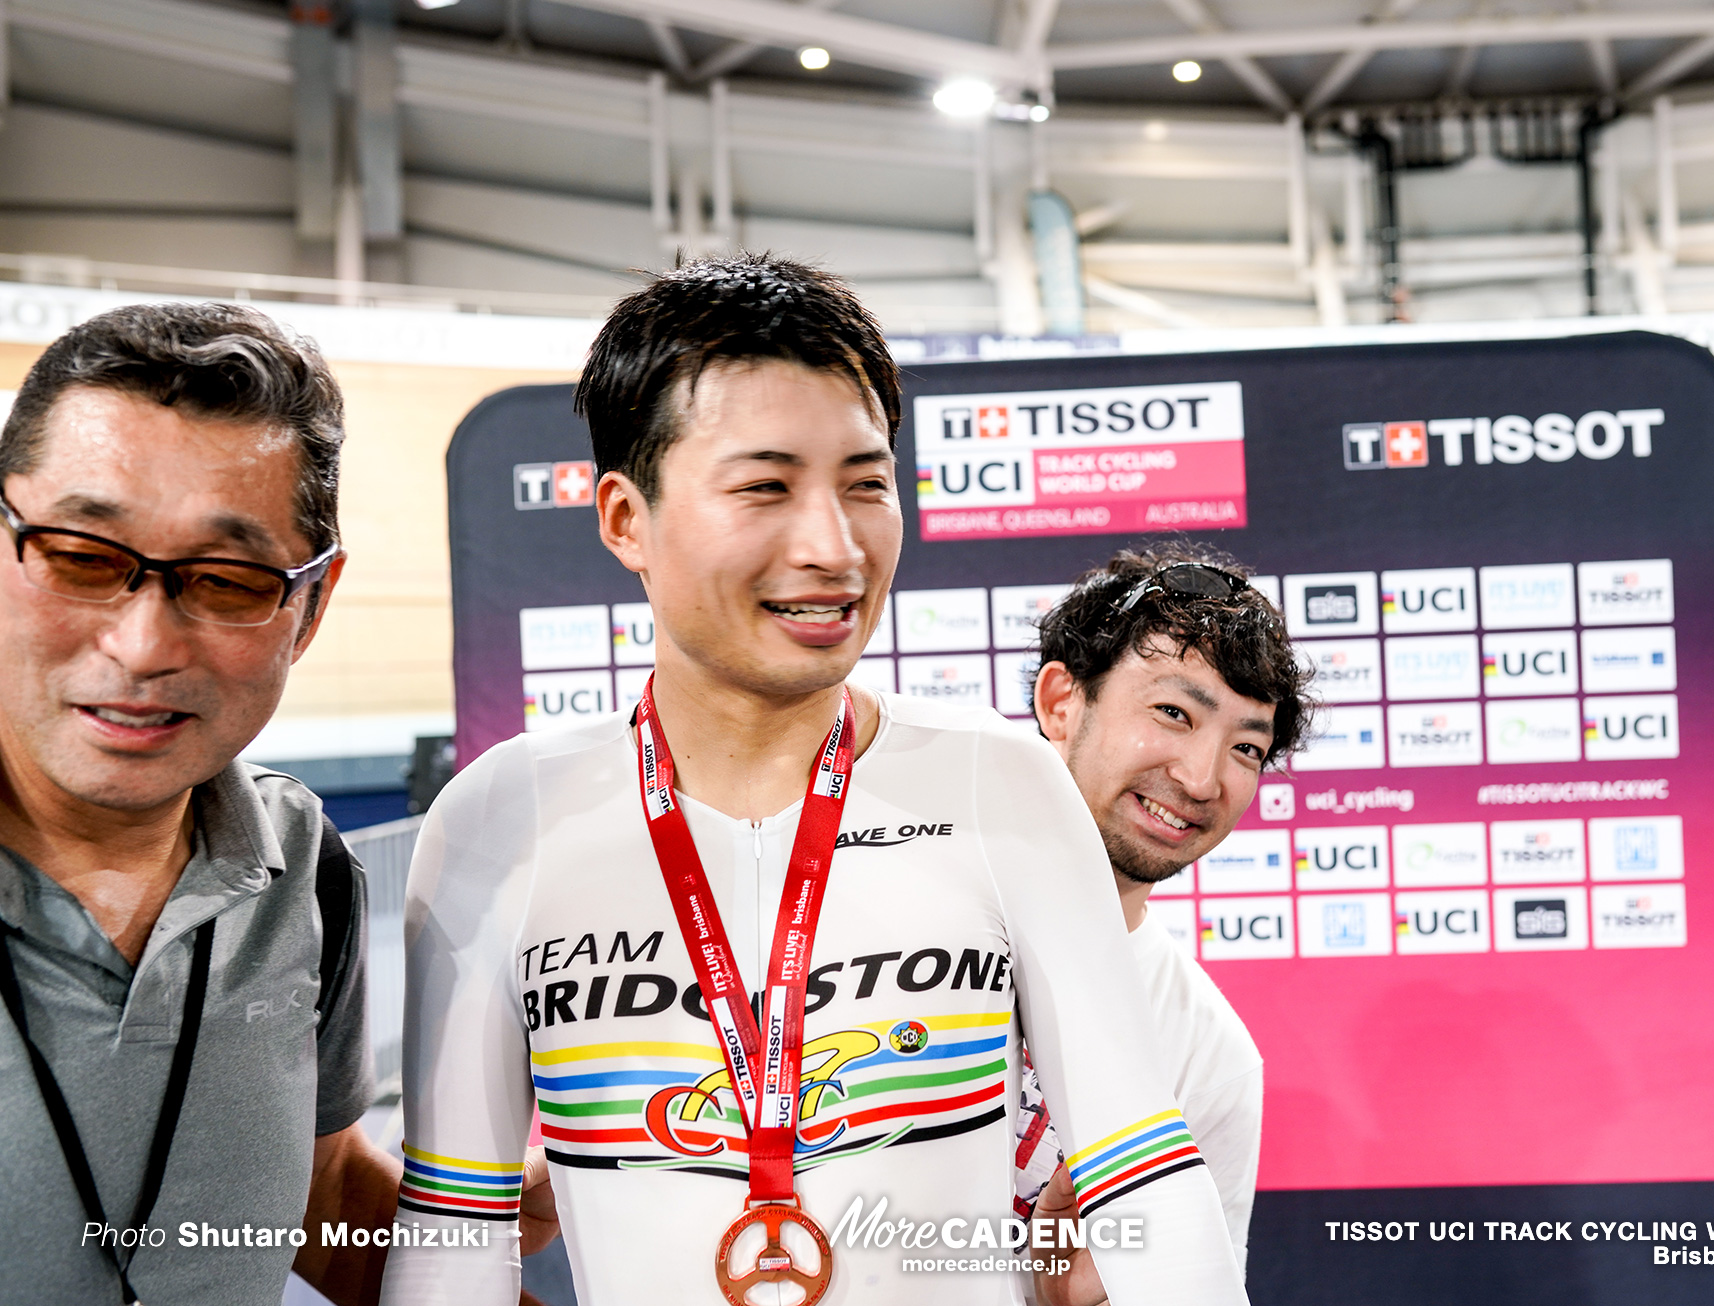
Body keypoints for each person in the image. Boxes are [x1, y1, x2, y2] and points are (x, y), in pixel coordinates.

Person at [377, 254, 1246, 1306]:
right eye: (765, 485)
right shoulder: (496, 820)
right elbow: (452, 1240)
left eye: (866, 483)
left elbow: (1148, 1189)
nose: (834, 546)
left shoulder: (999, 785)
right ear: (624, 519)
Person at [0, 303, 401, 1305]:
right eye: (82, 557)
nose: (141, 647)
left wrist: (523, 1213)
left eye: (227, 581)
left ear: (309, 608)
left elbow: (319, 1195)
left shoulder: (304, 865)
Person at [1016, 546, 1309, 1301]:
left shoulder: (1209, 1055)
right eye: (1173, 713)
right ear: (1061, 703)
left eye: (1247, 747)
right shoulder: (883, 923)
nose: (1201, 778)